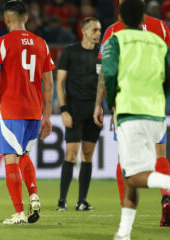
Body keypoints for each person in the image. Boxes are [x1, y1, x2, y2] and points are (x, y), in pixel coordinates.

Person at [93, 0, 170, 238]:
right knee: (160, 155)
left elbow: (107, 72)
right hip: (156, 110)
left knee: (129, 172)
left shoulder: (115, 34)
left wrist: (106, 103)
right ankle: (127, 230)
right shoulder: (160, 33)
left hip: (129, 110)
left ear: (121, 14)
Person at [0, 0, 54, 225]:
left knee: (11, 158)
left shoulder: (1, 43)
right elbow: (48, 84)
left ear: (6, 19)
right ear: (26, 18)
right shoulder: (42, 44)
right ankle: (34, 195)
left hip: (11, 109)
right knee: (24, 156)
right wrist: (46, 115)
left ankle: (19, 212)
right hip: (34, 110)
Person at [55, 17, 102, 212]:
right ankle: (62, 200)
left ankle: (82, 200)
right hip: (73, 109)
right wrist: (64, 110)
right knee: (71, 154)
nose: (98, 33)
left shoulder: (102, 54)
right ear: (83, 31)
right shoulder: (70, 52)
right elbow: (59, 83)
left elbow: (107, 84)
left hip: (94, 109)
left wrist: (109, 107)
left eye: (100, 30)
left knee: (88, 155)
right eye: (94, 30)